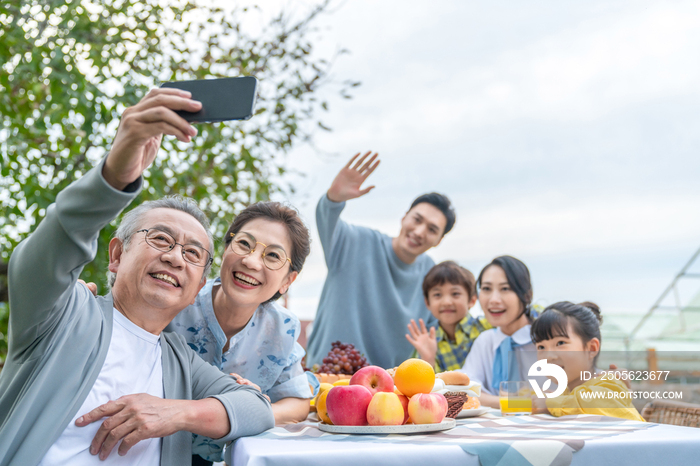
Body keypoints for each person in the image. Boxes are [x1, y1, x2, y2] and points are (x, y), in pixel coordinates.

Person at [0, 88, 274, 465]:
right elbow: (47, 251)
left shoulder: (179, 361)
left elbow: (257, 408)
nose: (175, 257)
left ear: (197, 287)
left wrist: (174, 413)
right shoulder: (63, 316)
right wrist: (115, 175)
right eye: (160, 238)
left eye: (193, 253)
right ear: (116, 255)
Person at [165, 202, 315, 465]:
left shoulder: (283, 329)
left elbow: (298, 403)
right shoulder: (175, 301)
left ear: (288, 281)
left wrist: (252, 408)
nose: (251, 261)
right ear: (226, 248)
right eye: (244, 244)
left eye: (272, 256)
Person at [305, 152, 456, 369]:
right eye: (417, 219)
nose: (420, 231)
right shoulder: (355, 241)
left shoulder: (430, 276)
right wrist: (333, 200)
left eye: (432, 229)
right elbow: (326, 220)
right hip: (328, 375)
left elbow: (434, 330)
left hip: (384, 390)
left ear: (439, 240)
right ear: (404, 217)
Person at [530, 301, 645, 421]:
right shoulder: (566, 394)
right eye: (541, 347)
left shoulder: (609, 383)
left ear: (591, 348)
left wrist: (550, 404)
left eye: (560, 343)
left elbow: (593, 402)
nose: (549, 356)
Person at [461, 256, 538, 408]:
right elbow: (466, 392)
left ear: (527, 295)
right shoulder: (486, 342)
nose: (494, 300)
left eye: (505, 289)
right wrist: (520, 403)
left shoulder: (545, 339)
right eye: (486, 289)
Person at [405, 261, 492, 372]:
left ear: (472, 300)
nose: (446, 302)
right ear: (427, 303)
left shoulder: (488, 326)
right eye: (437, 295)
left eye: (455, 293)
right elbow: (426, 386)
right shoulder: (427, 342)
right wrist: (428, 359)